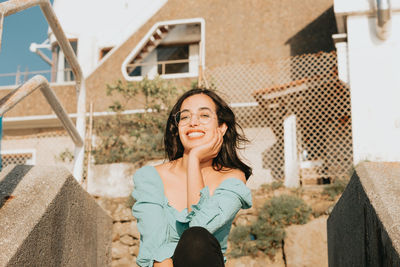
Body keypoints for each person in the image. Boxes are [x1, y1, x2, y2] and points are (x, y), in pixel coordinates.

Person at [131, 88, 253, 267]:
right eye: (185, 117)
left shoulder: (232, 179)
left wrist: (194, 159)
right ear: (177, 127)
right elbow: (155, 249)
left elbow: (200, 228)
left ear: (221, 127)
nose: (193, 122)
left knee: (195, 239)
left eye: (204, 115)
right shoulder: (151, 177)